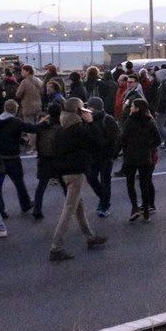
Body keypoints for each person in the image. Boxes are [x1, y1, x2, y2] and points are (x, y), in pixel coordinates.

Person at [49, 98, 108, 261]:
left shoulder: (61, 128)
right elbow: (98, 143)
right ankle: (56, 247)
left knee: (78, 206)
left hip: (64, 172)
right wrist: (90, 122)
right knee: (69, 209)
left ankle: (90, 237)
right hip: (76, 172)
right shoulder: (79, 128)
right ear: (79, 112)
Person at [0, 99, 37, 217]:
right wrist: (44, 123)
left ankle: (0, 210)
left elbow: (2, 136)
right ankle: (25, 204)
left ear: (5, 108)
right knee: (19, 182)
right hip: (13, 157)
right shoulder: (15, 122)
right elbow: (30, 128)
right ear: (15, 110)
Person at [119, 98, 162, 222]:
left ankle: (134, 208)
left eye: (132, 106)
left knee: (130, 183)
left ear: (137, 108)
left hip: (130, 157)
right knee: (144, 184)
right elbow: (158, 140)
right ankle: (147, 211)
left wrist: (115, 153)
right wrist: (148, 147)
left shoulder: (129, 121)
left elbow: (122, 139)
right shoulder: (149, 121)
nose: (131, 108)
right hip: (145, 157)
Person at [84, 97, 120, 217]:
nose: (88, 110)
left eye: (90, 107)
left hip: (105, 156)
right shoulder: (87, 120)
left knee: (105, 181)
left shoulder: (107, 119)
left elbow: (103, 141)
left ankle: (104, 204)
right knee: (91, 178)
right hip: (92, 156)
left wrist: (90, 124)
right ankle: (103, 199)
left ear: (95, 108)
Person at [32, 103, 65, 219]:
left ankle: (37, 209)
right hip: (58, 159)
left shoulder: (43, 125)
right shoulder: (62, 125)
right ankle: (73, 209)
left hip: (44, 158)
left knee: (41, 185)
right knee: (65, 185)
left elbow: (37, 141)